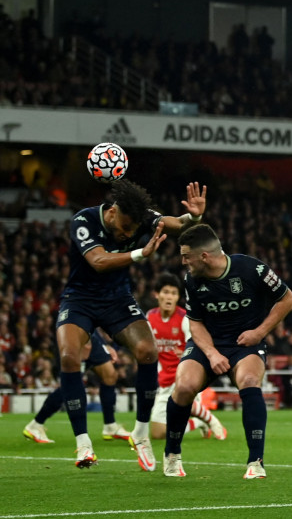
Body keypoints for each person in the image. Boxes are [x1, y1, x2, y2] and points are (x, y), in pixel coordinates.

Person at [57, 179, 207, 469]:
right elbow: (98, 260)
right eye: (125, 227)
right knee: (69, 356)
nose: (127, 233)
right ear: (112, 212)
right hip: (80, 299)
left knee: (148, 351)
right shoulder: (84, 220)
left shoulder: (141, 217)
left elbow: (177, 224)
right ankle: (83, 443)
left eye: (132, 229)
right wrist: (140, 253)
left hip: (117, 299)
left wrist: (195, 216)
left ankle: (140, 433)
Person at [161, 224, 292, 479]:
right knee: (185, 386)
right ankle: (172, 453)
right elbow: (195, 323)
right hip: (207, 345)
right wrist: (212, 353)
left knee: (249, 381)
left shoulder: (252, 269)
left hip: (246, 344)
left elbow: (287, 298)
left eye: (186, 256)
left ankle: (255, 461)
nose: (183, 261)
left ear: (204, 256)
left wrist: (260, 332)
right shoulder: (192, 279)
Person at [146, 272, 226, 441]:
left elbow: (197, 344)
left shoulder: (185, 318)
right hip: (164, 379)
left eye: (173, 293)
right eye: (165, 292)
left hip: (184, 376)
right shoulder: (150, 317)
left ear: (178, 297)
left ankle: (209, 419)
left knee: (179, 410)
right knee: (158, 433)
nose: (169, 297)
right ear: (156, 294)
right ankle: (199, 422)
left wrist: (184, 354)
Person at [23, 330, 133, 445]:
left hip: (91, 338)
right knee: (71, 384)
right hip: (72, 335)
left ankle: (110, 426)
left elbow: (91, 321)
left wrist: (103, 343)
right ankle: (36, 424)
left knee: (110, 375)